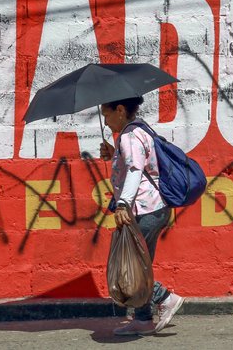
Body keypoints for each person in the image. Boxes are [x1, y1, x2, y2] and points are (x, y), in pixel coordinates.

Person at [99, 96, 184, 336]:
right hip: (153, 209)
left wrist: (123, 205)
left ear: (120, 110)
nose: (106, 122)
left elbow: (136, 170)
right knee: (140, 265)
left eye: (107, 115)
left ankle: (165, 297)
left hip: (144, 209)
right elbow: (137, 164)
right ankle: (143, 319)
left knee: (131, 268)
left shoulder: (129, 136)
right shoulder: (138, 131)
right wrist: (113, 152)